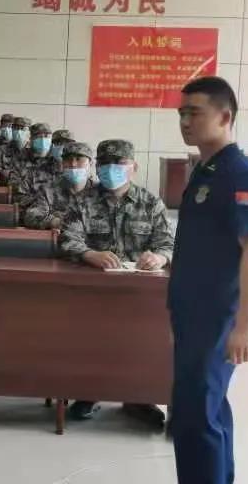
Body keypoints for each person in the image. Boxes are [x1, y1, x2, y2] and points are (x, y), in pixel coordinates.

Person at [169, 76, 248, 484]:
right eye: (181, 113)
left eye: (195, 113)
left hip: (216, 318)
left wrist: (244, 327)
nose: (186, 121)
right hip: (194, 315)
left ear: (225, 117)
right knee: (209, 410)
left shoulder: (238, 174)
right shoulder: (207, 170)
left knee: (196, 416)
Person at [59, 139, 174, 425]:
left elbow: (168, 243)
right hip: (93, 289)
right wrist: (89, 254)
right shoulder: (82, 201)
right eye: (105, 164)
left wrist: (159, 257)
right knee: (92, 342)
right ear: (97, 168)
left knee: (141, 343)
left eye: (119, 164)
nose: (112, 169)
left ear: (134, 167)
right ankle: (89, 394)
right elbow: (66, 239)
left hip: (139, 291)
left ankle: (138, 398)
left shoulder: (151, 203)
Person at [24, 142, 96, 230]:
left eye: (79, 159)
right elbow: (31, 216)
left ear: (90, 163)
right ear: (62, 163)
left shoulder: (100, 192)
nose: (73, 164)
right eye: (68, 160)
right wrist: (54, 222)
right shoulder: (47, 191)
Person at [8, 122, 60, 215]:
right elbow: (15, 190)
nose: (43, 140)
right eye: (38, 136)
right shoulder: (19, 158)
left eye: (46, 136)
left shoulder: (56, 161)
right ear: (31, 139)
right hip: (30, 212)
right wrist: (42, 204)